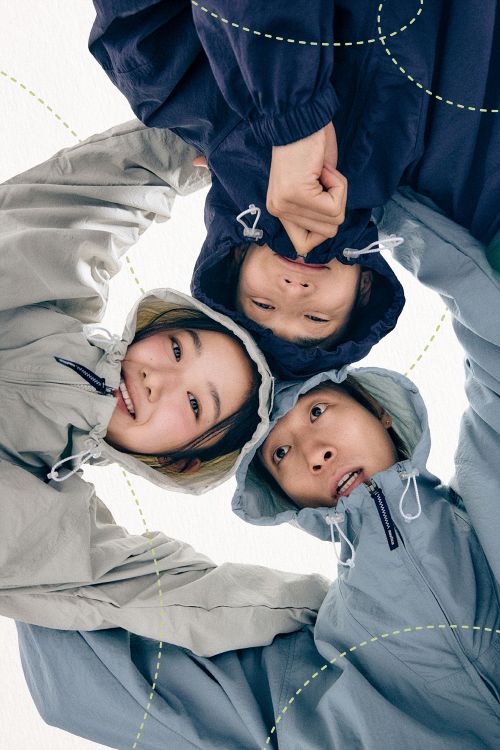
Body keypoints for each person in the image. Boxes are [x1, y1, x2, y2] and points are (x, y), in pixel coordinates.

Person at [15, 190, 500, 748]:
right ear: (283, 499)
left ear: (380, 411)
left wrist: (377, 204)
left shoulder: (484, 491)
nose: (315, 452)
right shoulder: (323, 646)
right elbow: (81, 682)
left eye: (318, 411)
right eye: (281, 455)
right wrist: (45, 438)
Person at [0, 120, 332, 653]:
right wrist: (223, 141)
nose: (159, 382)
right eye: (176, 350)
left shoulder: (45, 522)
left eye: (195, 404)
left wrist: (346, 610)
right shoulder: (39, 292)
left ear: (181, 461)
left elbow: (173, 594)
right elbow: (91, 194)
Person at [88, 0, 406, 378]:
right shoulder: (420, 166)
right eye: (316, 317)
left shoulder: (166, 93)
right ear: (365, 288)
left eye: (263, 305)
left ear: (236, 262)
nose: (294, 289)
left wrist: (291, 121)